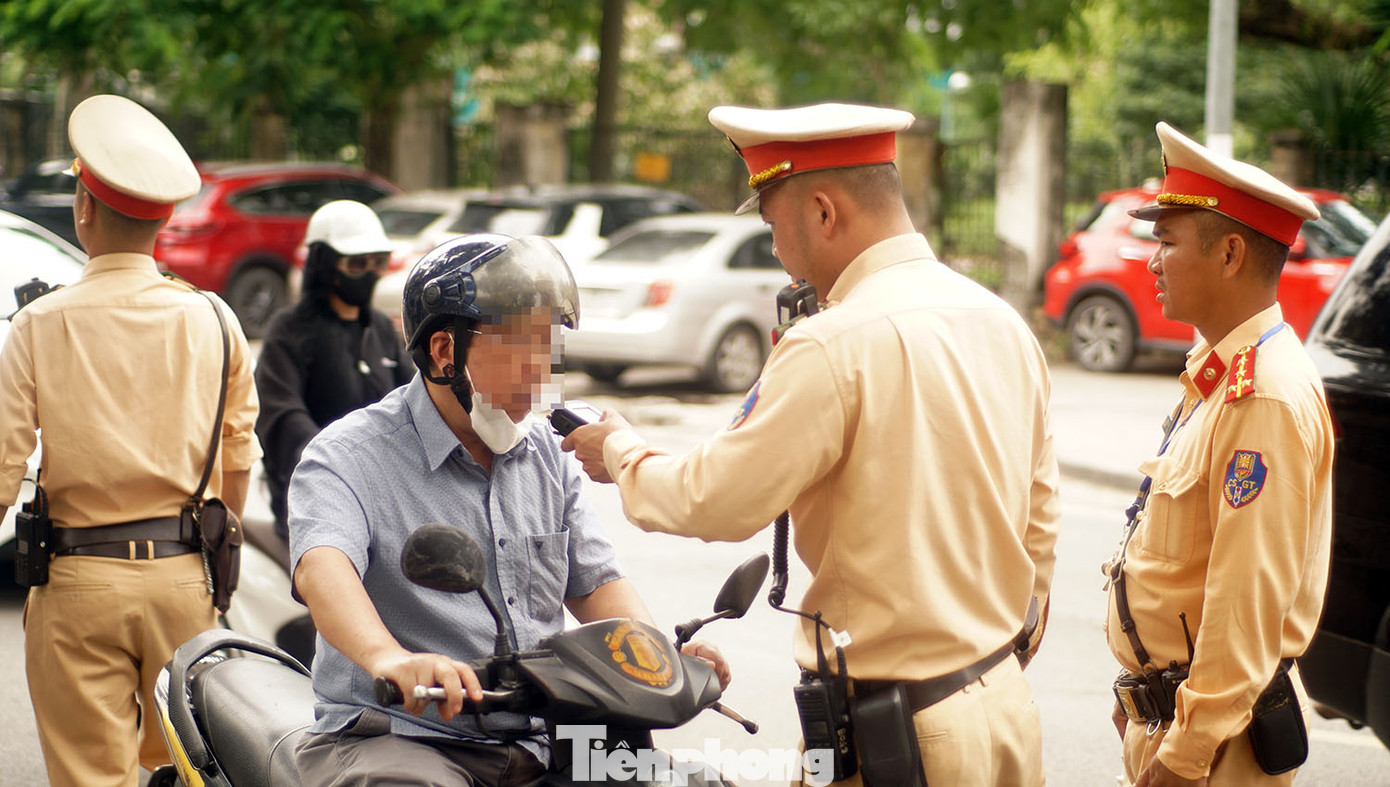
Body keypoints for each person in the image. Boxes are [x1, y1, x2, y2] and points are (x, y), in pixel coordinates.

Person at [563, 102, 1061, 786]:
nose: (774, 249)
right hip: (1003, 709)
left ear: (824, 212)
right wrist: (992, 659)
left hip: (902, 735)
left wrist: (620, 452)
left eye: (772, 224)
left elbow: (714, 500)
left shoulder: (834, 340)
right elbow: (1042, 522)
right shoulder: (999, 321)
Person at [287, 233, 728, 785]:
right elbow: (322, 569)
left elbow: (594, 583)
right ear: (445, 352)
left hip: (547, 739)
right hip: (404, 738)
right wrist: (387, 658)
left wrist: (660, 660)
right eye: (522, 346)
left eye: (550, 347)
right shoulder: (346, 456)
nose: (544, 372)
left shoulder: (548, 451)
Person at [0, 95, 260, 787]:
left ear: (83, 207)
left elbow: (4, 462)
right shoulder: (214, 317)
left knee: (90, 775)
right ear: (167, 218)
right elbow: (239, 453)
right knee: (190, 768)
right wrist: (217, 530)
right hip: (186, 581)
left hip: (78, 581)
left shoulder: (39, 323)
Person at [1101, 123, 1333, 787]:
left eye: (1167, 242)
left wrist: (1187, 752)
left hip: (1216, 752)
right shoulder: (1219, 373)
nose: (1151, 261)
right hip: (1175, 720)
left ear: (1230, 254)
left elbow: (1245, 600)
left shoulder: (1263, 393)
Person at [255, 199, 412, 545]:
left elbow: (415, 402)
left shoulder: (381, 330)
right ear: (326, 265)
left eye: (379, 263)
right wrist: (337, 464)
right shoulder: (291, 330)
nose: (370, 272)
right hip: (318, 505)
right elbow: (282, 415)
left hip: (386, 504)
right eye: (357, 264)